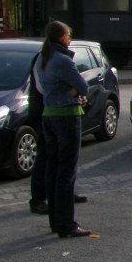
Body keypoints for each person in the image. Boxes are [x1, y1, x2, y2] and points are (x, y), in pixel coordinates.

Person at [37, 21, 92, 238]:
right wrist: (73, 92)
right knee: (66, 172)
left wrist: (70, 91)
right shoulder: (63, 60)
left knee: (53, 169)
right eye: (68, 36)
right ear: (62, 38)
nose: (69, 39)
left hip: (49, 115)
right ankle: (67, 224)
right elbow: (83, 86)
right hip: (66, 116)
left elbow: (46, 88)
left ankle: (56, 221)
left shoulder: (43, 58)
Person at [28, 53, 88, 215]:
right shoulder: (44, 57)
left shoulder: (59, 57)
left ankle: (64, 193)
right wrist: (70, 94)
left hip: (55, 109)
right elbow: (44, 88)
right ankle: (38, 200)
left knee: (63, 157)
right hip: (44, 110)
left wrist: (77, 96)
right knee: (45, 156)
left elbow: (66, 84)